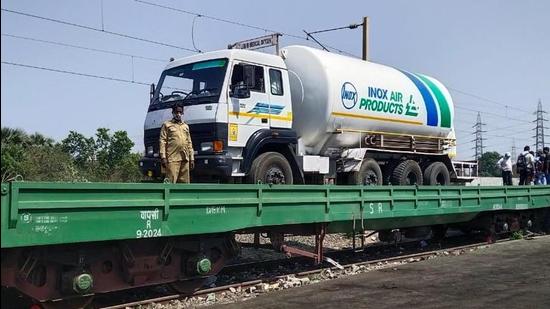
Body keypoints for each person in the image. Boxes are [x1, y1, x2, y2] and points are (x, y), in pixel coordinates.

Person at [159, 104, 194, 183]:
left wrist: (192, 158)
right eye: (176, 112)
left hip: (185, 158)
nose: (178, 114)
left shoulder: (185, 126)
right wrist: (163, 157)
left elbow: (189, 142)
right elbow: (162, 141)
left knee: (184, 184)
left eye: (180, 112)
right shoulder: (167, 125)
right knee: (170, 182)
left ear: (182, 113)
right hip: (172, 159)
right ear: (173, 112)